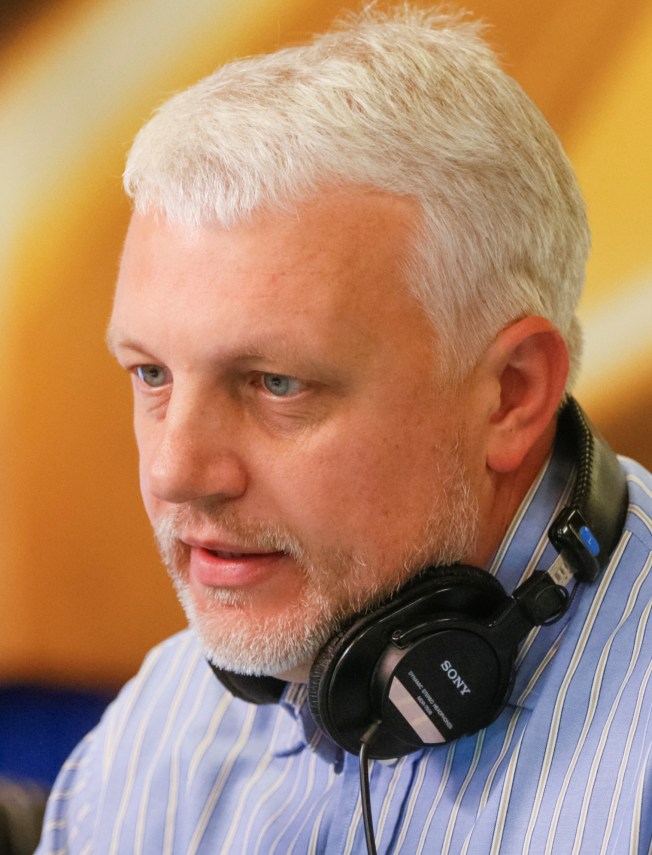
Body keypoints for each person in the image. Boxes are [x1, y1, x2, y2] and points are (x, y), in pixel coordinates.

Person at [37, 6, 651, 854]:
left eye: (277, 383)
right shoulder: (169, 721)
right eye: (152, 374)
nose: (176, 471)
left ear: (512, 392)